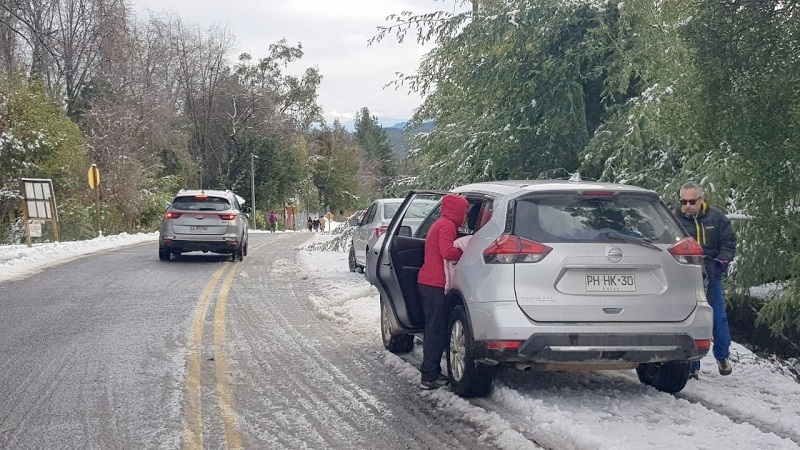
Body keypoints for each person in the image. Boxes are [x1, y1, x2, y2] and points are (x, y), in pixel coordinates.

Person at [673, 181, 737, 379]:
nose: (687, 206)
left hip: (712, 274)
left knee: (718, 319)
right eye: (683, 201)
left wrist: (721, 261)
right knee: (692, 319)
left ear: (701, 199)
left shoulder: (716, 218)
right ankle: (693, 366)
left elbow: (729, 242)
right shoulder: (673, 218)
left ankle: (722, 357)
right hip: (686, 278)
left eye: (692, 201)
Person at [416, 193, 469, 390]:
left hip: (429, 283)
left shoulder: (440, 223)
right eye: (464, 212)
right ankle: (428, 377)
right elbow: (446, 251)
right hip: (435, 284)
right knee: (435, 331)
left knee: (434, 329)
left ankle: (432, 372)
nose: (465, 217)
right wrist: (465, 250)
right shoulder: (446, 226)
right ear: (457, 211)